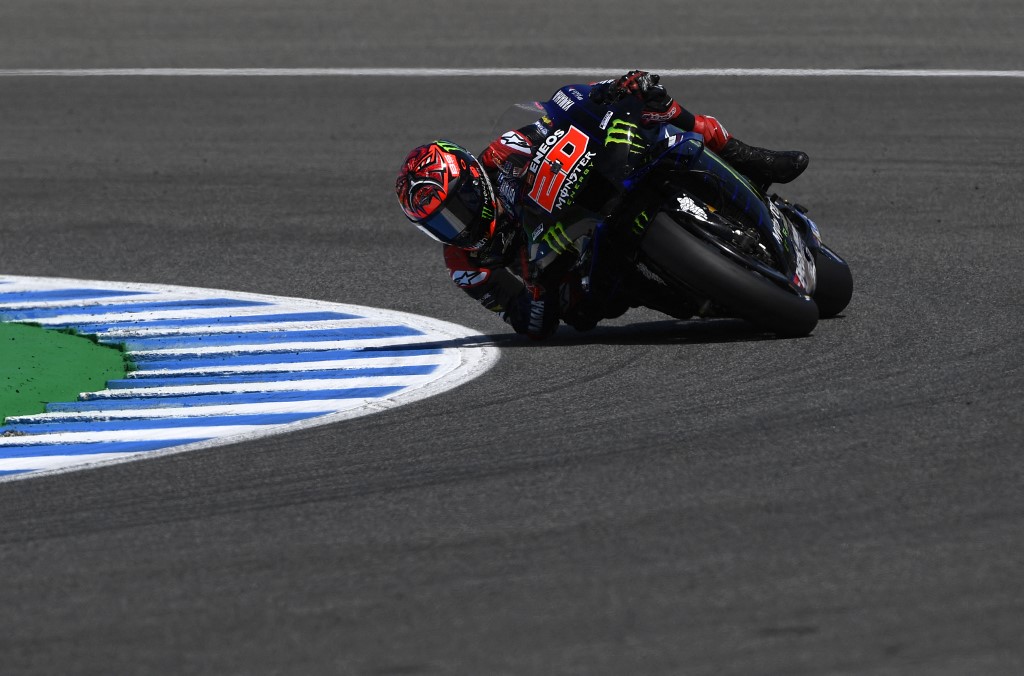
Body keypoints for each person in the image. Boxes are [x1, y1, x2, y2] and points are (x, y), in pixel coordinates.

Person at [395, 70, 809, 339]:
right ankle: (695, 293)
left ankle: (750, 157)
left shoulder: (504, 153)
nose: (457, 226)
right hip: (583, 263)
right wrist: (539, 287)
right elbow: (529, 322)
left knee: (655, 111)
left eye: (457, 208)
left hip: (599, 182)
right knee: (583, 311)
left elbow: (559, 110)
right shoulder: (465, 263)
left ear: (471, 181)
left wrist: (612, 91)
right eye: (440, 223)